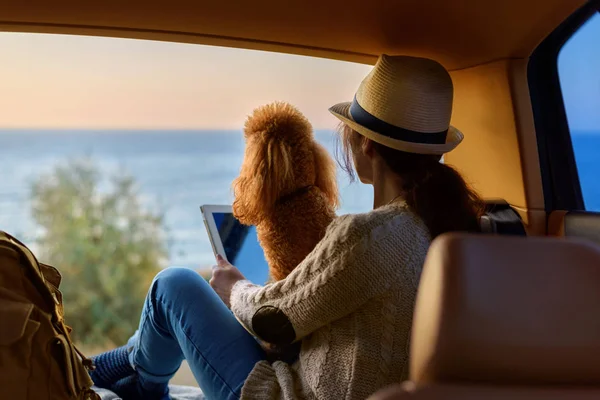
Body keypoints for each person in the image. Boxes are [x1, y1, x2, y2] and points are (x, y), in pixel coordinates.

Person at [89, 54, 484, 400]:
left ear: (367, 145)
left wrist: (234, 287)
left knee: (174, 285)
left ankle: (137, 378)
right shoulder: (453, 228)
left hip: (289, 392)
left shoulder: (370, 236)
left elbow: (273, 319)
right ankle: (131, 368)